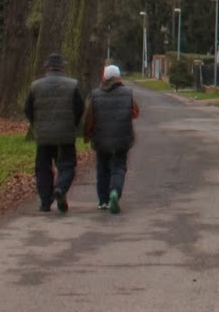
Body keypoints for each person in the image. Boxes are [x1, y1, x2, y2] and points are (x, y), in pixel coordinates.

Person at [23, 52, 84, 213]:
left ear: (46, 67)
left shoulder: (35, 86)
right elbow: (80, 107)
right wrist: (73, 124)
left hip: (43, 134)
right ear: (62, 67)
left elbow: (27, 109)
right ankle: (61, 189)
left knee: (42, 167)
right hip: (65, 132)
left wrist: (37, 124)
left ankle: (45, 202)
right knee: (67, 164)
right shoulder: (72, 85)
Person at [83, 64, 140, 214]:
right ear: (119, 77)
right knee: (119, 168)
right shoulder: (128, 93)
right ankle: (114, 192)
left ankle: (103, 201)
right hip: (122, 137)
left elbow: (89, 118)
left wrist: (87, 135)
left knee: (102, 169)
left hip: (101, 138)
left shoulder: (95, 94)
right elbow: (135, 113)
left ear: (104, 77)